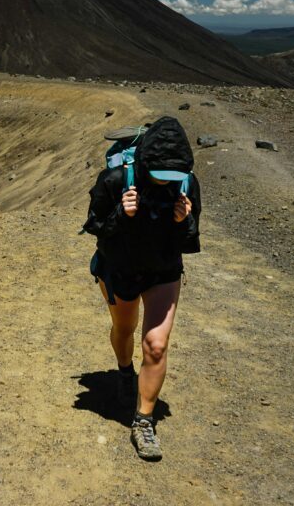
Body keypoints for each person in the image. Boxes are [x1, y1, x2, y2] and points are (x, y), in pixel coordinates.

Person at [82, 115, 201, 461]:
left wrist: (185, 221)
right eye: (160, 177)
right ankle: (123, 371)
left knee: (156, 345)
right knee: (124, 327)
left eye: (173, 178)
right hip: (119, 269)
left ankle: (143, 421)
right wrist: (122, 213)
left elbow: (190, 243)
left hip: (163, 271)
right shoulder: (116, 179)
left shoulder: (187, 185)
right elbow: (94, 226)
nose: (167, 185)